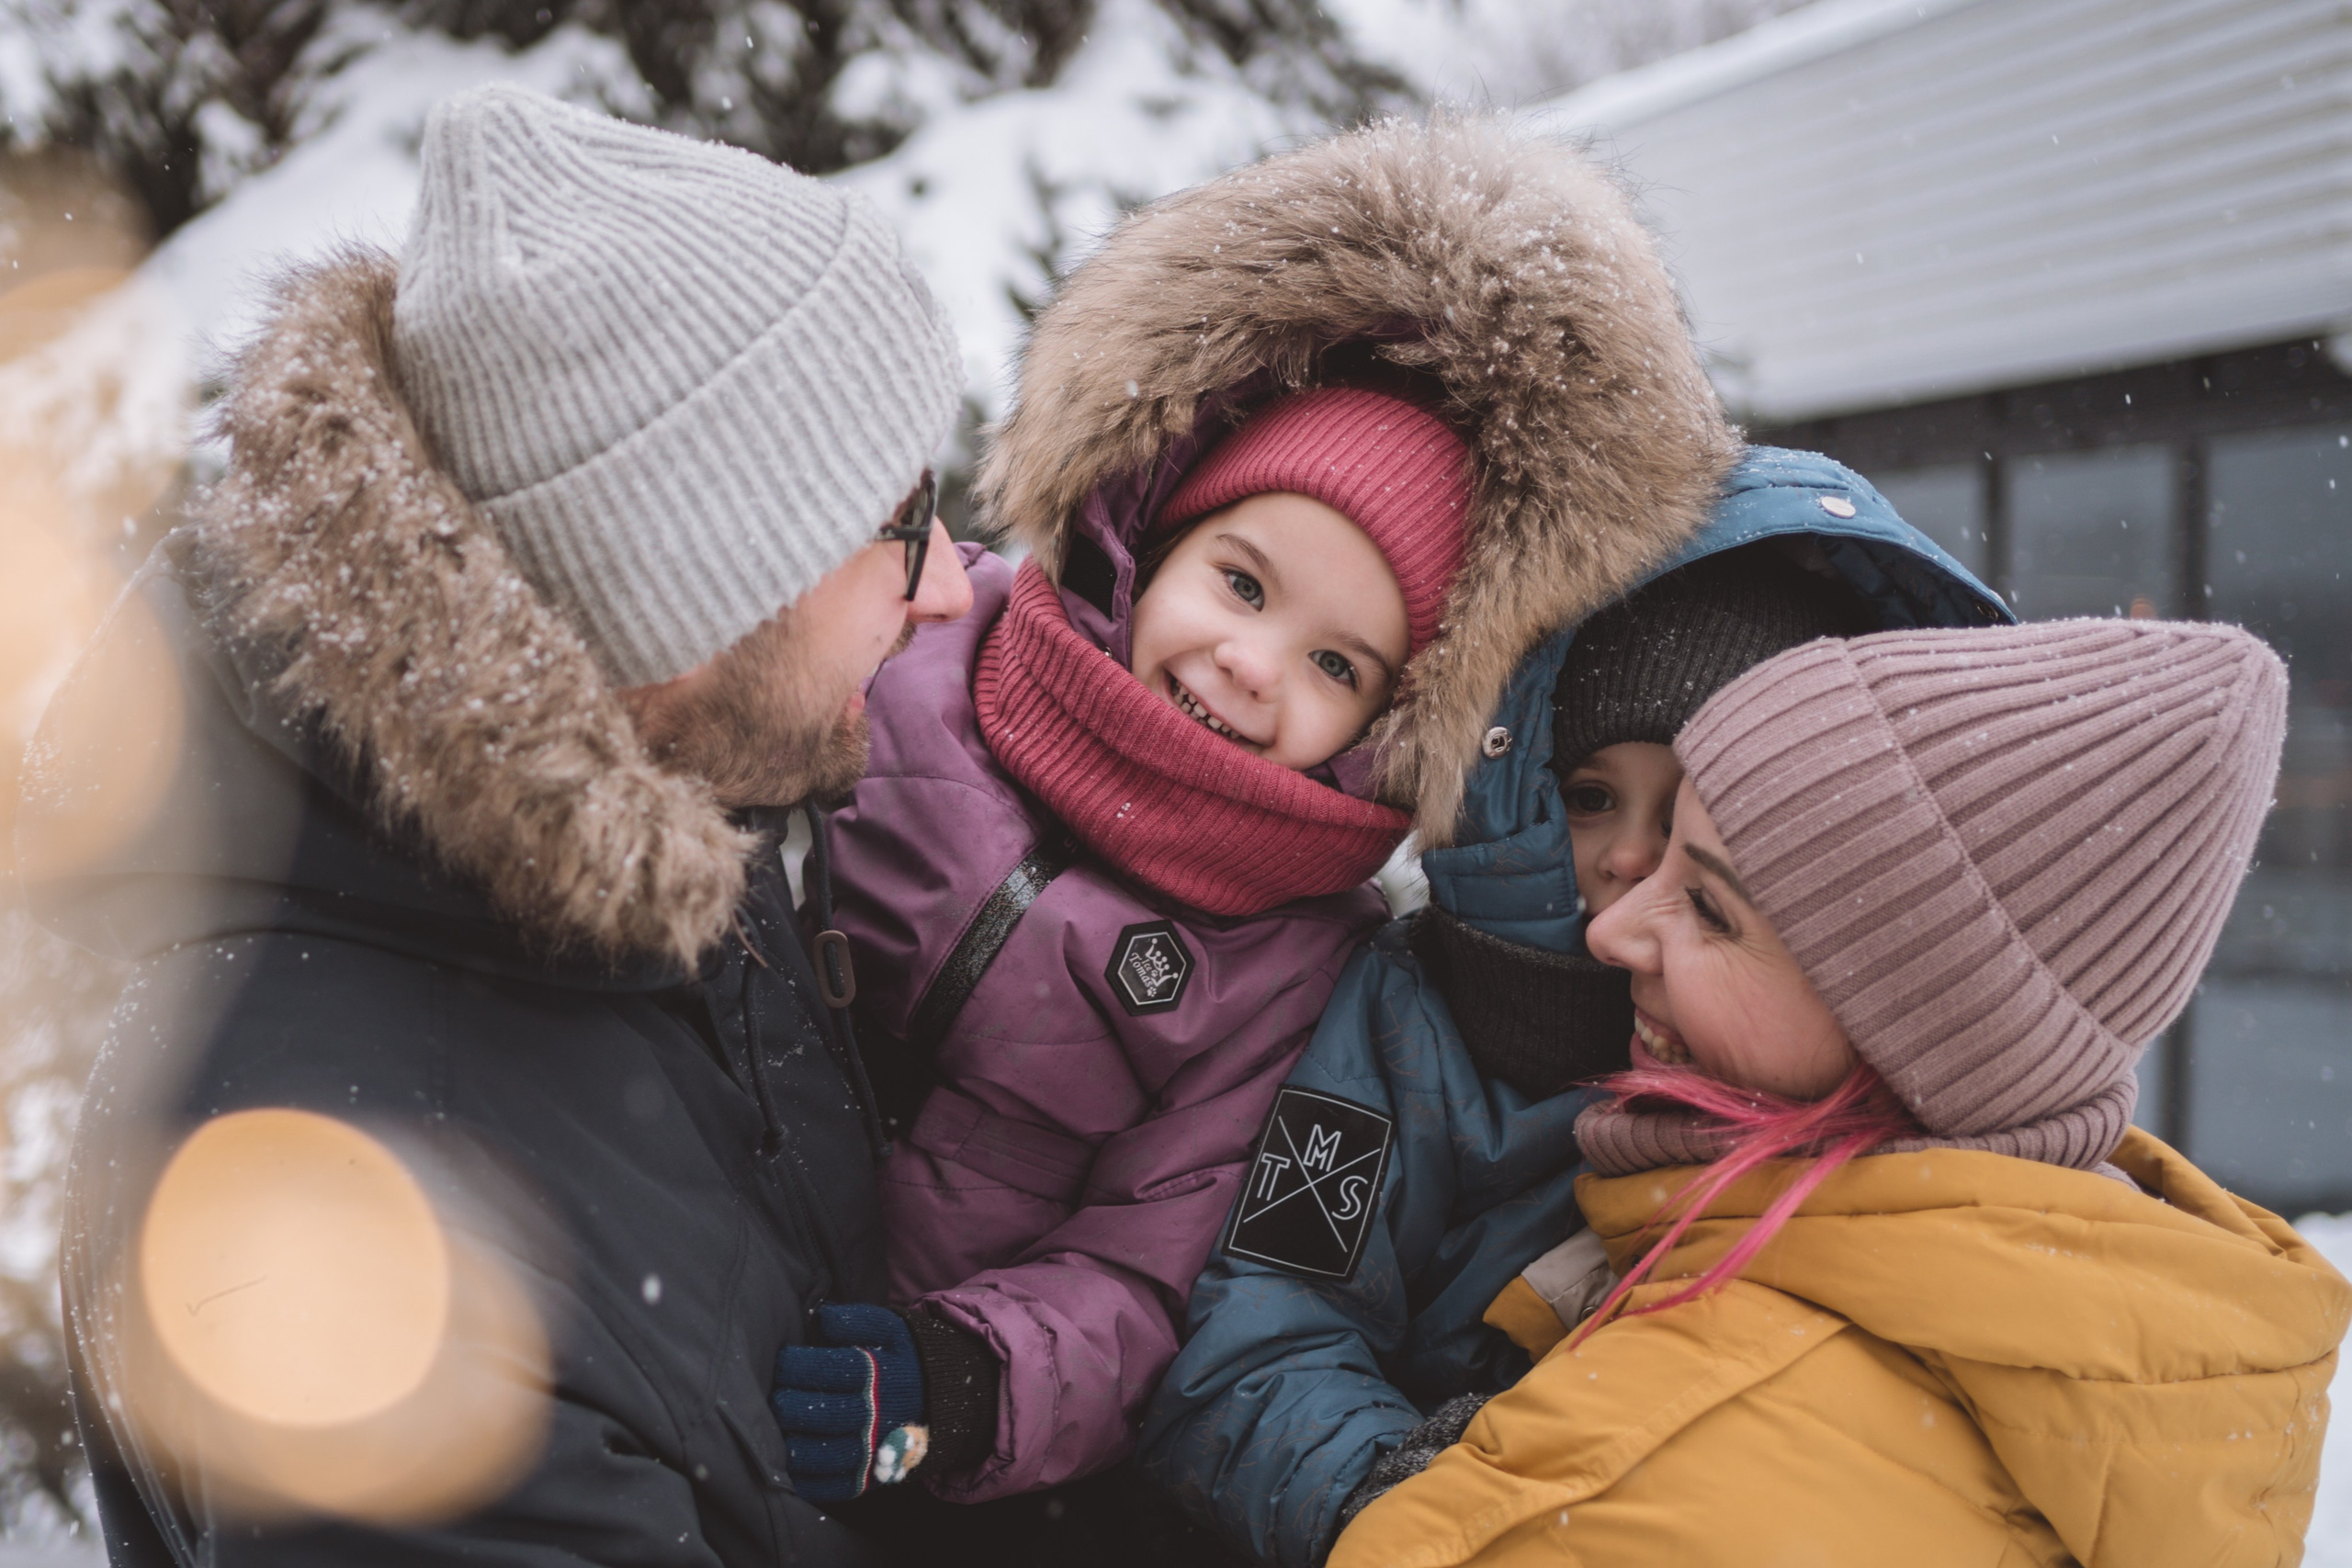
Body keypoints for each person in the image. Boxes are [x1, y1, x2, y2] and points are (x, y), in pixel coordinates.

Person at [26, 84, 972, 1564]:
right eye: (899, 524)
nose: (952, 586)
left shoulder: (650, 804)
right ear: (687, 597)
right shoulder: (337, 1283)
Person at [766, 115, 1738, 1517]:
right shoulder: (926, 648)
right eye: (1240, 581)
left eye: (1338, 665)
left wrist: (968, 1375)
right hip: (702, 1219)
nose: (1252, 663)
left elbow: (1144, 1266)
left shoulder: (1291, 957)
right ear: (1153, 531)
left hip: (900, 1384)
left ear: (1397, 718)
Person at [1139, 451, 2011, 1568]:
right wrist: (1396, 1478)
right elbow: (1266, 1321)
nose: (1635, 854)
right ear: (1525, 785)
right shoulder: (1413, 1013)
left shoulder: (1831, 1044)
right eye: (1593, 797)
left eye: (1695, 811)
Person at [1331, 618, 2352, 1568]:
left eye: (1711, 910)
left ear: (1911, 1028)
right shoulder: (2141, 1363)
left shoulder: (1650, 1482)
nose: (1611, 931)